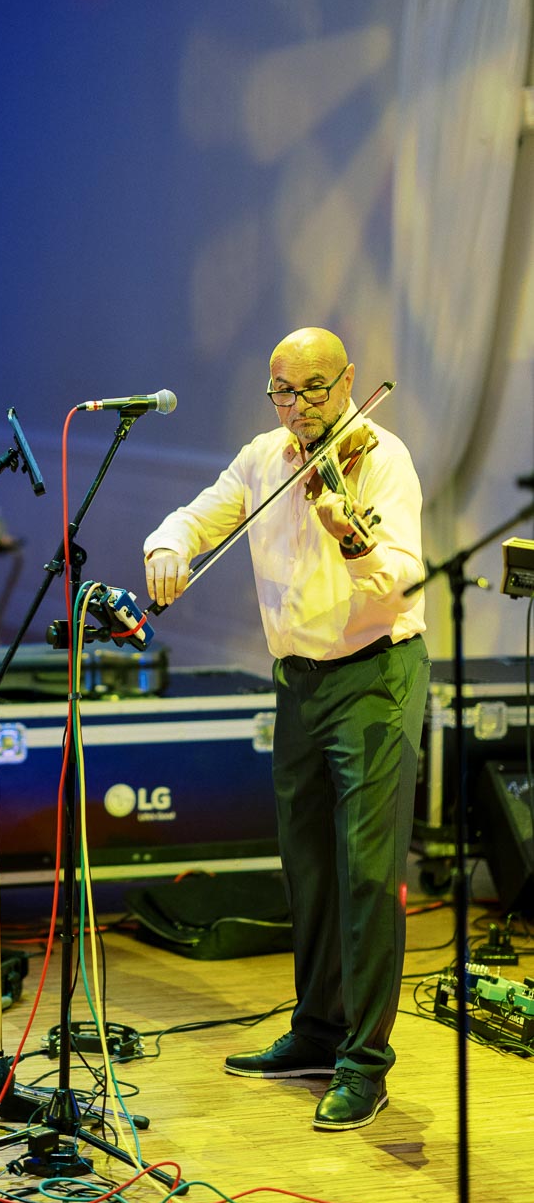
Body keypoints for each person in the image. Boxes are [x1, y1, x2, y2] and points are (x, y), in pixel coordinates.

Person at [143, 327, 430, 1132]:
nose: (297, 408)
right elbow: (196, 520)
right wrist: (167, 547)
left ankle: (365, 1064)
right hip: (299, 683)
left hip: (375, 675)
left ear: (347, 383)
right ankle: (316, 1030)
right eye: (282, 391)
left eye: (312, 390)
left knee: (368, 875)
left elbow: (403, 574)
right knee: (307, 865)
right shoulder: (263, 458)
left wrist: (350, 534)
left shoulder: (383, 460)